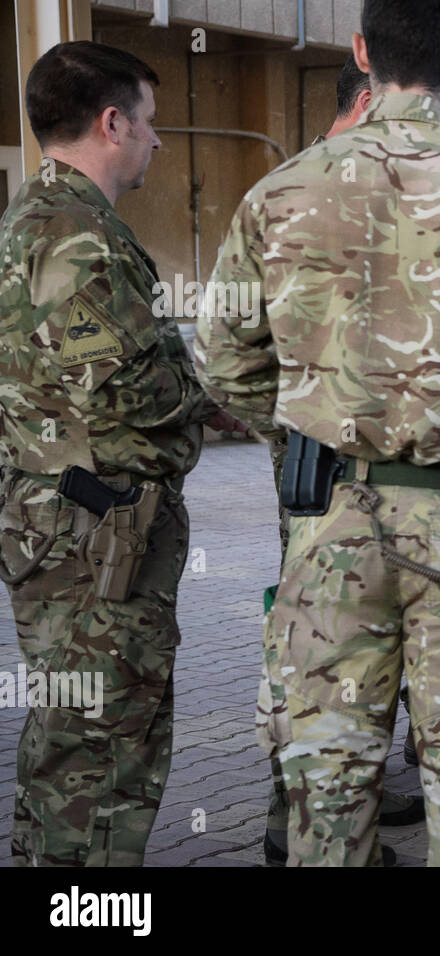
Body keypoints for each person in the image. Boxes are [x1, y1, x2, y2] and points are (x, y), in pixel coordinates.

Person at [196, 0, 440, 865]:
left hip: (326, 527)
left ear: (361, 52)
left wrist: (313, 420)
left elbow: (222, 360)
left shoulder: (278, 194)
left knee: (327, 792)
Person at [0, 41, 235, 865]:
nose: (158, 141)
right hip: (95, 542)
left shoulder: (37, 219)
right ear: (111, 123)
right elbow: (133, 391)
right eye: (149, 123)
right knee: (104, 751)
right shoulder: (76, 238)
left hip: (60, 529)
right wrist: (215, 396)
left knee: (67, 740)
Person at [257, 54, 419, 868]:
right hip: (323, 465)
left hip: (329, 454)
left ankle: (352, 789)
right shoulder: (309, 191)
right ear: (365, 102)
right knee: (311, 642)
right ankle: (296, 818)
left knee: (356, 634)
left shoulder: (301, 187)